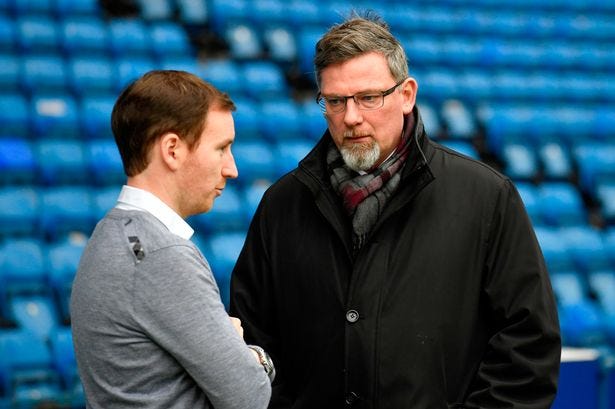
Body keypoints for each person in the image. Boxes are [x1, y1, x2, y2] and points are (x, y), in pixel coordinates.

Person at [230, 13, 561, 409]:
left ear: (406, 95)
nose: (351, 117)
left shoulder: (487, 197)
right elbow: (254, 345)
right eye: (335, 101)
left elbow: (528, 348)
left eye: (369, 97)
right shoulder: (282, 205)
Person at [71, 70, 274, 409]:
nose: (232, 168)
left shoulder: (109, 233)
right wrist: (253, 356)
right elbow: (250, 398)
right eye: (221, 148)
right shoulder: (163, 256)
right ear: (172, 150)